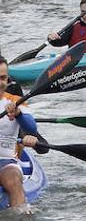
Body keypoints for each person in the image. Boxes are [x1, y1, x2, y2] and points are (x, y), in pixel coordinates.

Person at [0, 68, 42, 213]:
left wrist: (18, 114)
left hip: (4, 161)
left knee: (12, 178)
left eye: (3, 78)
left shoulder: (15, 101)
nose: (0, 83)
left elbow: (31, 127)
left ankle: (21, 215)